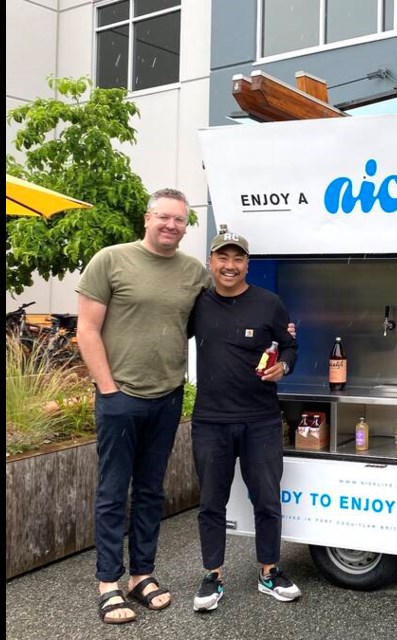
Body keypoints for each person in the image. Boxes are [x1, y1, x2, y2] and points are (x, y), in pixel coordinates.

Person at [77, 188, 209, 624]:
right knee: (114, 491)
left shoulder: (194, 273)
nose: (171, 226)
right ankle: (108, 584)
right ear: (147, 218)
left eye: (179, 221)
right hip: (120, 397)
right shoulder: (111, 260)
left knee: (152, 492)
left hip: (167, 396)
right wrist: (108, 389)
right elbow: (87, 330)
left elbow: (203, 323)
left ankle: (142, 574)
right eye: (164, 217)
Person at [189, 226, 301, 613]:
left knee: (268, 500)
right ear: (211, 263)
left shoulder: (269, 303)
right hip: (210, 421)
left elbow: (289, 343)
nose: (230, 265)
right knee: (211, 502)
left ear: (247, 265)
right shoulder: (198, 304)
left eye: (238, 258)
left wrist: (283, 366)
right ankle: (212, 575)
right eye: (223, 257)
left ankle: (270, 571)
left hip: (261, 420)